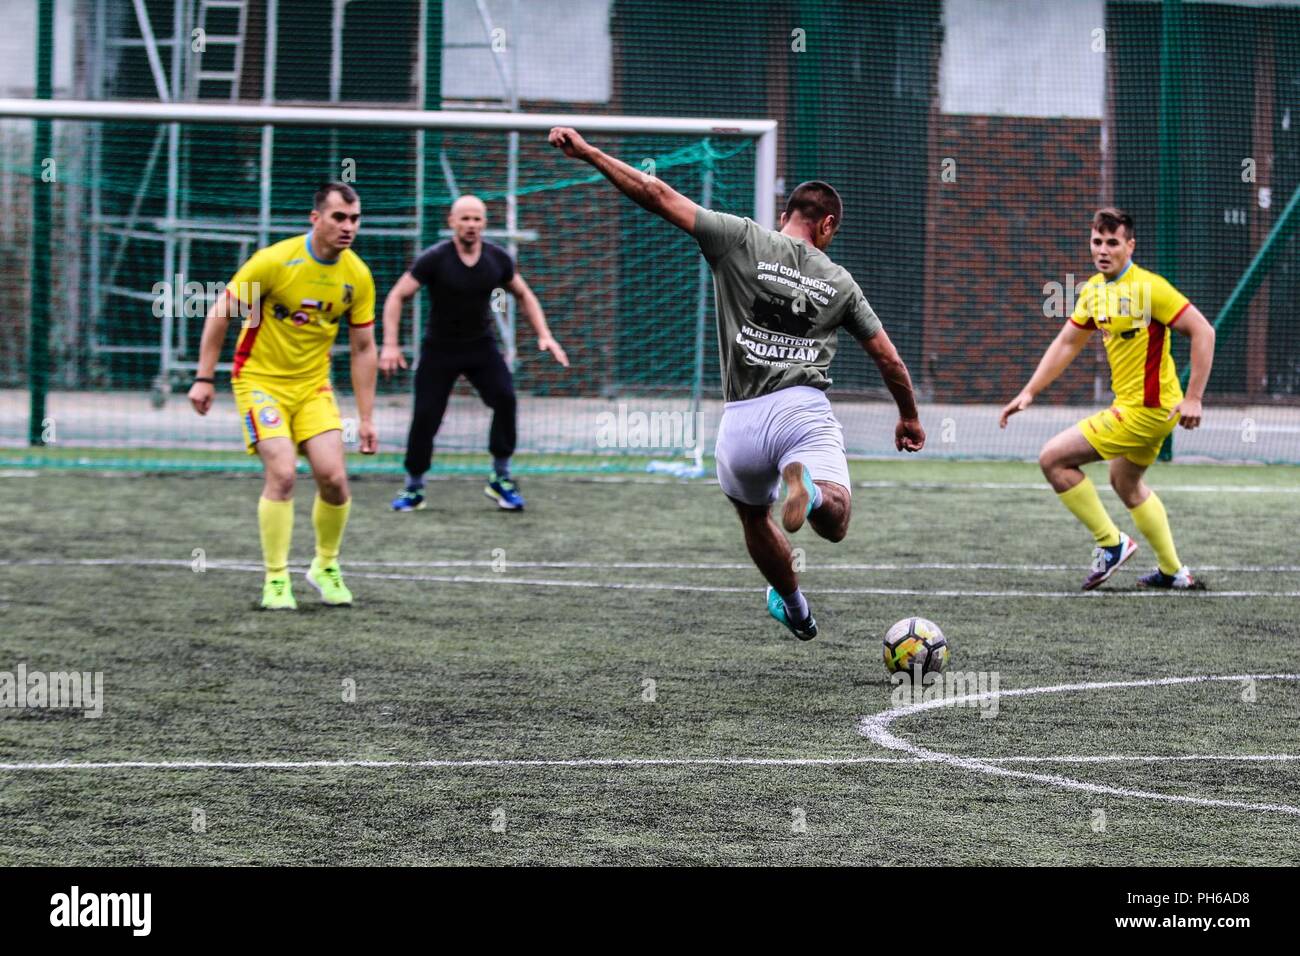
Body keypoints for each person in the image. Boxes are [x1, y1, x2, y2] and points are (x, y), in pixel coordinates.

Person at [548, 126, 924, 640]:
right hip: (801, 411)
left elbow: (656, 193)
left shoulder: (740, 237)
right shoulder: (839, 281)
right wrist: (908, 415)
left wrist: (589, 152)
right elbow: (890, 360)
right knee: (835, 520)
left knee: (753, 519)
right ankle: (810, 494)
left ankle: (794, 607)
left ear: (786, 215)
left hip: (741, 421)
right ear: (828, 224)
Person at [999, 207, 1216, 590]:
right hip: (1144, 410)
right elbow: (1067, 342)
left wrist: (1195, 397)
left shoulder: (1150, 288)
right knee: (1125, 482)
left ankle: (1111, 543)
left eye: (1112, 242)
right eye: (1097, 241)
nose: (1103, 249)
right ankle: (1174, 572)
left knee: (1053, 459)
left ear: (1129, 245)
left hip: (1146, 411)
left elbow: (1203, 331)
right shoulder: (1094, 291)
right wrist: (1029, 391)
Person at [188, 183, 378, 610]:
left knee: (334, 478)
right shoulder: (274, 262)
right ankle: (276, 579)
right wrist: (203, 377)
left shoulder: (357, 276)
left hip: (313, 388)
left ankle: (325, 566)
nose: (349, 227)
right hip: (260, 383)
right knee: (285, 473)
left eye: (355, 219)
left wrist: (366, 418)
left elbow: (364, 348)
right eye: (339, 218)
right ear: (316, 219)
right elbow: (222, 313)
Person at [380, 195, 568, 512]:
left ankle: (501, 477)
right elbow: (397, 296)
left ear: (484, 223)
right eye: (464, 219)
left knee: (506, 398)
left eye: (477, 219)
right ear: (452, 222)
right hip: (439, 348)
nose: (471, 225)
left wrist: (545, 335)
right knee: (426, 415)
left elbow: (523, 294)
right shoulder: (434, 258)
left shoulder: (497, 258)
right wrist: (390, 344)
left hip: (480, 346)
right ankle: (414, 486)